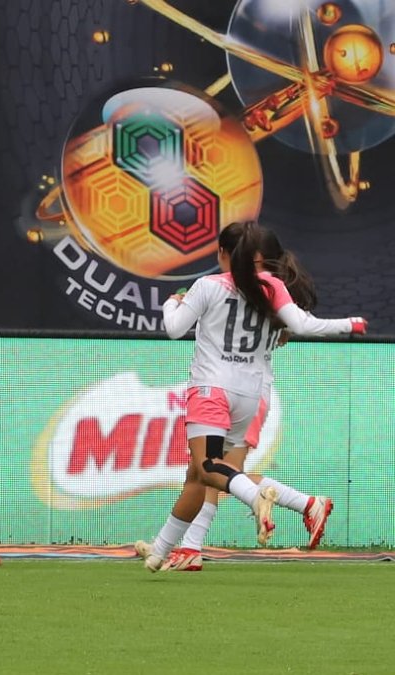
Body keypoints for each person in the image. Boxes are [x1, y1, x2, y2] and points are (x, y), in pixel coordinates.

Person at [139, 222, 365, 573]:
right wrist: (349, 323)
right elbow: (301, 327)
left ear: (223, 254)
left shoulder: (208, 286)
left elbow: (174, 329)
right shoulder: (273, 287)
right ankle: (163, 551)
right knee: (201, 475)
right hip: (252, 394)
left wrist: (172, 303)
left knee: (210, 469)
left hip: (212, 388)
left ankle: (256, 502)